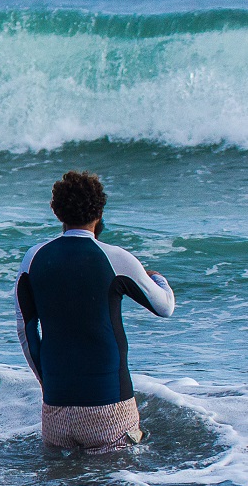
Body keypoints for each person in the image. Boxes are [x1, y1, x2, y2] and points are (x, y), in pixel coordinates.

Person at [16, 170, 175, 453]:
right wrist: (158, 279)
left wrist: (48, 382)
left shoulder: (33, 258)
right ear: (99, 211)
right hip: (109, 408)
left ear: (57, 211)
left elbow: (26, 331)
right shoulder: (117, 259)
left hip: (55, 409)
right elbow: (164, 308)